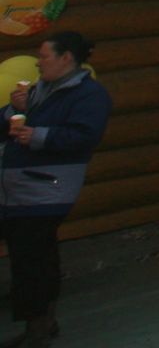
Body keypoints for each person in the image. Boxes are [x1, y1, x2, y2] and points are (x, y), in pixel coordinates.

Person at [1, 32, 111, 346]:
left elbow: (84, 136)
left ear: (66, 58)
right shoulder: (38, 91)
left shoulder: (89, 95)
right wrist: (13, 110)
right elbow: (6, 127)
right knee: (34, 254)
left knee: (31, 257)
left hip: (47, 187)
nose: (38, 62)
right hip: (20, 188)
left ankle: (38, 327)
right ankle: (43, 322)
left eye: (45, 56)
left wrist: (37, 136)